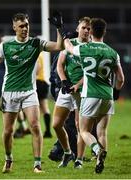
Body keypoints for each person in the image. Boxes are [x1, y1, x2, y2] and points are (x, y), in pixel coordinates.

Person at [0, 12, 63, 173]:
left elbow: (58, 46)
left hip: (29, 92)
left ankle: (37, 165)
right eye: (21, 26)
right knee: (8, 131)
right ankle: (8, 159)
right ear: (14, 27)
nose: (25, 28)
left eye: (26, 25)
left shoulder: (35, 43)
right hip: (9, 93)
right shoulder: (6, 46)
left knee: (35, 126)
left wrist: (59, 28)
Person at [64, 18, 124, 173]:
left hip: (90, 95)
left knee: (83, 130)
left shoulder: (85, 48)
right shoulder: (113, 52)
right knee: (102, 131)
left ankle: (97, 150)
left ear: (90, 31)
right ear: (104, 32)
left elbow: (69, 48)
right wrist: (116, 91)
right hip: (107, 96)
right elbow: (121, 79)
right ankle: (99, 162)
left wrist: (65, 36)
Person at [52, 17, 91, 168]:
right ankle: (68, 153)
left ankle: (79, 160)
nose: (86, 31)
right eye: (84, 28)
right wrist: (63, 81)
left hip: (83, 91)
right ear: (78, 29)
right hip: (67, 89)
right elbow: (60, 66)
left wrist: (77, 84)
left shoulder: (92, 48)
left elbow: (90, 72)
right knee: (56, 124)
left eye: (88, 28)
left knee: (80, 127)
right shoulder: (70, 45)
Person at [36, 52, 52, 138]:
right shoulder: (41, 54)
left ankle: (37, 130)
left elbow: (37, 67)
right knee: (45, 108)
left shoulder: (35, 54)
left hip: (37, 83)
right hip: (43, 82)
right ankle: (48, 131)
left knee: (35, 108)